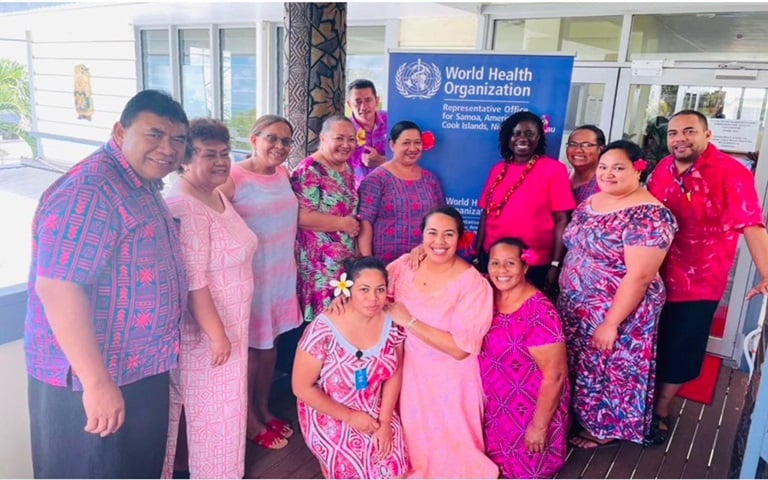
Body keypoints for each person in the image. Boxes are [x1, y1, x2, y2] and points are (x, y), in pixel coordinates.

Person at [25, 89, 188, 478]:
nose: (167, 148)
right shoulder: (91, 190)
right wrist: (96, 384)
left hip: (136, 369)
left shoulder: (138, 181)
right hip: (92, 379)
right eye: (154, 134)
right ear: (120, 131)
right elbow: (59, 288)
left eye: (178, 139)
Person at [647, 110, 768, 444]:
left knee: (681, 347)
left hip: (698, 282)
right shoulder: (662, 170)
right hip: (653, 276)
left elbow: (753, 224)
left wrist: (767, 272)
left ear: (707, 135)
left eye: (689, 131)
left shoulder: (731, 173)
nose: (680, 139)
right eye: (673, 133)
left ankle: (660, 409)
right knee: (651, 343)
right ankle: (639, 404)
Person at [558, 140, 677, 448]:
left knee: (612, 366)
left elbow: (640, 276)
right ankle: (582, 414)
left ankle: (606, 427)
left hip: (620, 309)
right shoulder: (593, 201)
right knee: (582, 363)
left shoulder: (649, 214)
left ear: (639, 170)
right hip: (579, 305)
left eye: (618, 167)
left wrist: (611, 323)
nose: (608, 173)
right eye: (604, 167)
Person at [162, 119, 259, 478]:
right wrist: (217, 334)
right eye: (209, 154)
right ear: (185, 160)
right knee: (214, 417)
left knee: (226, 412)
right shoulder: (185, 205)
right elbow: (192, 280)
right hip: (206, 335)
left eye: (224, 153)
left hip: (230, 325)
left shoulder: (214, 192)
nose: (221, 161)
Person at [386, 206, 499, 478]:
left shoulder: (472, 284)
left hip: (450, 377)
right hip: (407, 370)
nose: (439, 241)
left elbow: (461, 349)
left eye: (448, 234)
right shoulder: (404, 265)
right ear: (421, 235)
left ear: (460, 239)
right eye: (432, 233)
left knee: (454, 455)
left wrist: (409, 320)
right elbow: (372, 293)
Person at [220, 115, 302, 450]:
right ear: (254, 139)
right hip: (251, 280)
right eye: (272, 138)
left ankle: (264, 408)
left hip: (281, 276)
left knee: (271, 348)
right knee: (253, 351)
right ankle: (248, 421)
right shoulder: (233, 177)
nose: (279, 147)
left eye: (286, 141)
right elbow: (208, 217)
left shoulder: (283, 174)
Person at [293, 256, 409, 479]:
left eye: (380, 289)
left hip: (376, 410)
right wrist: (350, 417)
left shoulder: (392, 321)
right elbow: (301, 387)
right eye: (364, 290)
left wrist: (385, 421)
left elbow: (395, 373)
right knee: (351, 469)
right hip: (331, 414)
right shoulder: (324, 329)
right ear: (348, 290)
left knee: (395, 469)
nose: (373, 299)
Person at [479, 237, 570, 478]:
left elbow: (556, 375)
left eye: (510, 263)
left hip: (529, 410)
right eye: (495, 263)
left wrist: (539, 427)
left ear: (525, 266)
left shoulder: (539, 313)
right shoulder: (485, 291)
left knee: (527, 471)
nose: (501, 271)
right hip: (496, 407)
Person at [476, 111, 576, 294]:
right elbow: (486, 214)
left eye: (530, 134)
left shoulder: (554, 170)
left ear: (538, 138)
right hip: (493, 260)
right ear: (508, 138)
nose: (523, 138)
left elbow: (562, 220)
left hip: (534, 263)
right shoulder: (498, 170)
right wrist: (476, 256)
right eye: (516, 133)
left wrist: (555, 265)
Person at [291, 115, 360, 323]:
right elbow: (300, 216)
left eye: (351, 139)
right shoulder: (310, 169)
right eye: (339, 138)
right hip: (318, 265)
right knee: (322, 324)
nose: (346, 145)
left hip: (342, 263)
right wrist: (343, 224)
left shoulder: (346, 168)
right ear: (323, 138)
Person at [358, 120, 445, 264]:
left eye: (417, 142)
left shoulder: (430, 179)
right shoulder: (376, 179)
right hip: (386, 263)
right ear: (392, 145)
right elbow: (364, 222)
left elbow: (441, 219)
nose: (412, 148)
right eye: (406, 143)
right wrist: (368, 263)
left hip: (423, 261)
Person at [348, 79, 388, 186]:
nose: (363, 107)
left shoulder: (392, 121)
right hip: (359, 193)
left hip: (392, 190)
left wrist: (383, 161)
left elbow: (407, 154)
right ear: (349, 104)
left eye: (368, 100)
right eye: (358, 101)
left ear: (377, 100)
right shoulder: (344, 130)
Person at [566, 124, 605, 204]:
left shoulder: (605, 184)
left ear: (601, 149)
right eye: (573, 144)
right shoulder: (562, 176)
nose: (578, 150)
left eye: (586, 145)